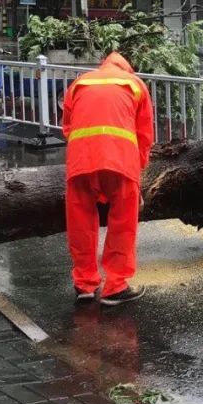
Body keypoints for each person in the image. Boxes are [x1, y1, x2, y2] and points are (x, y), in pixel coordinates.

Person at [63, 52, 155, 306]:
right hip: (120, 160)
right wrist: (138, 173)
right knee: (122, 224)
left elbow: (68, 128)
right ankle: (116, 286)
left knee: (80, 223)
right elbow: (144, 135)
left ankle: (84, 284)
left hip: (80, 160)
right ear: (128, 69)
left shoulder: (80, 82)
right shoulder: (135, 85)